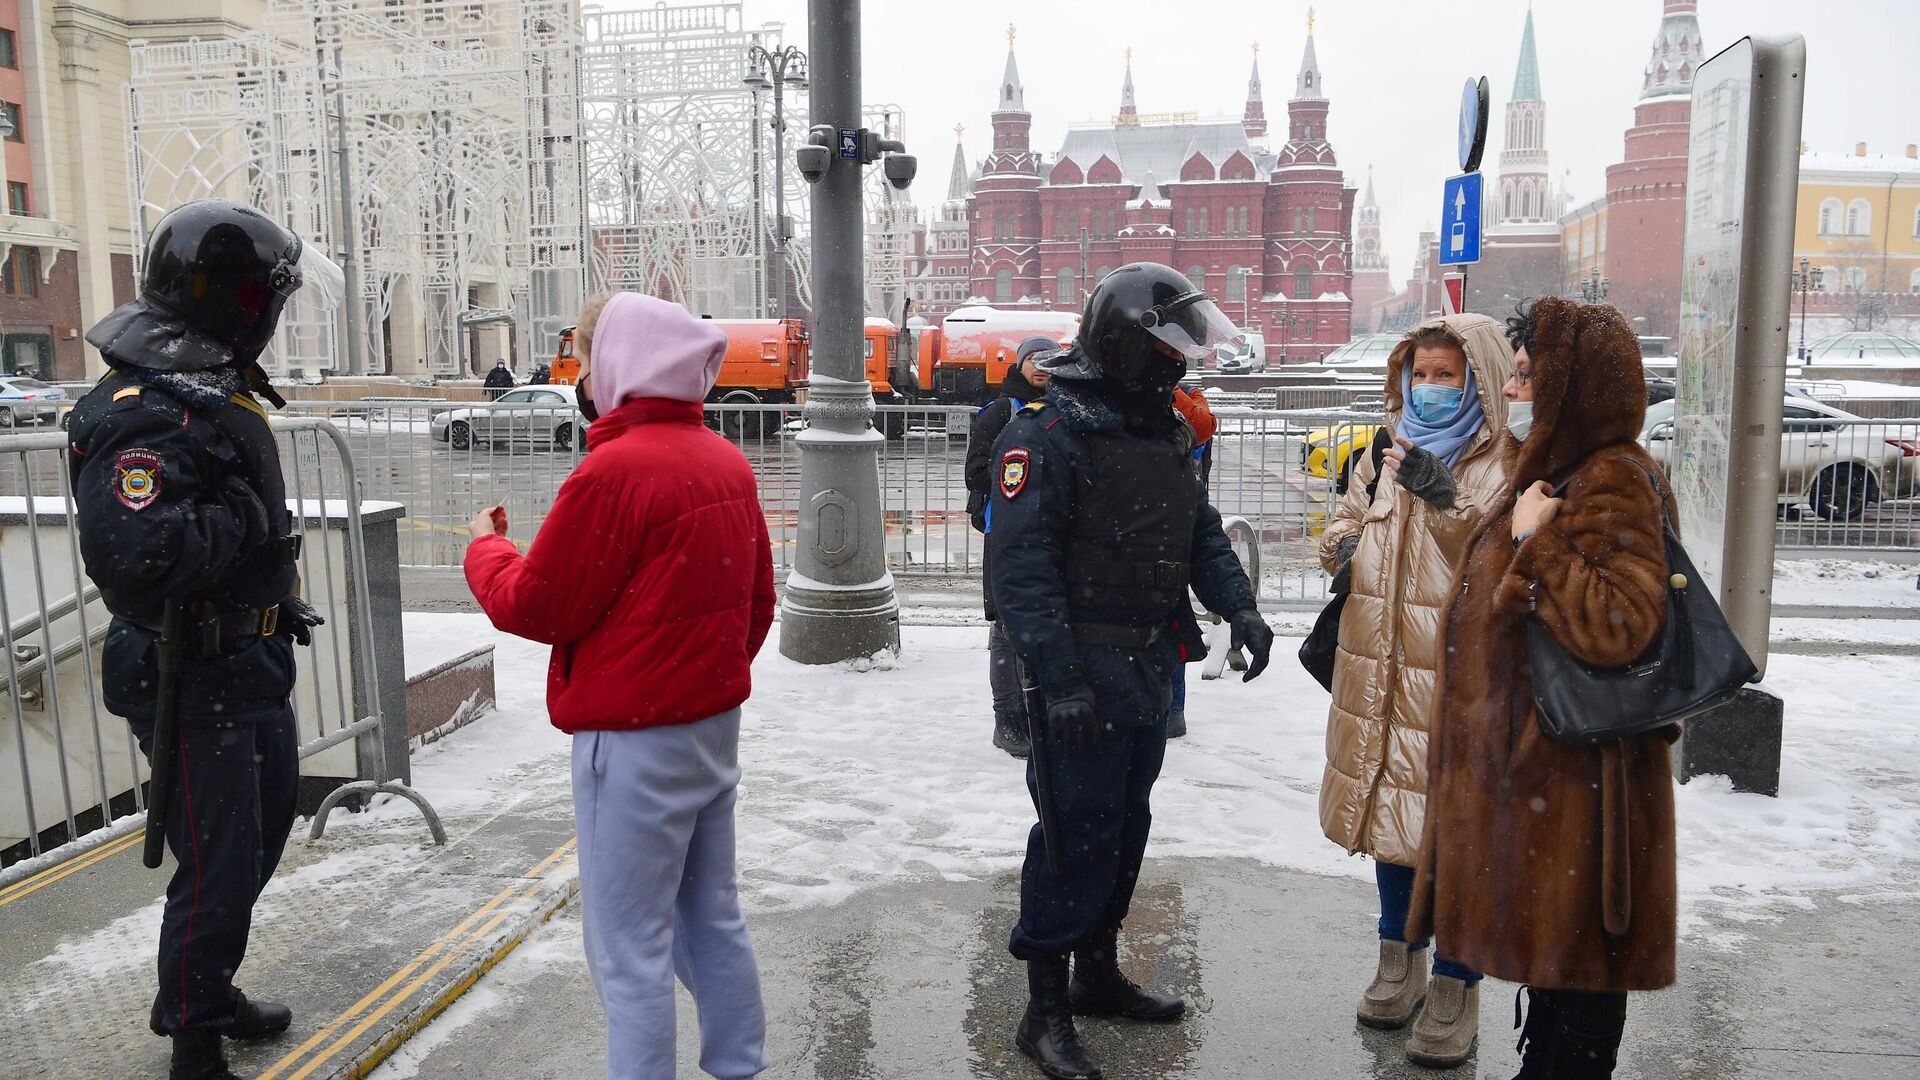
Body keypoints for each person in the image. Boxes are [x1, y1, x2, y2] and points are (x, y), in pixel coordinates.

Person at [464, 291, 774, 1080]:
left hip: (631, 743)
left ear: (621, 365)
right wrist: (703, 674)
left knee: (626, 946)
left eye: (592, 352)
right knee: (712, 916)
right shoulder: (724, 461)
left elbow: (538, 604)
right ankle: (739, 1064)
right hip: (710, 728)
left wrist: (486, 551)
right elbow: (757, 601)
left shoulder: (614, 472)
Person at [67, 198, 341, 1080]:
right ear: (233, 300)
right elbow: (136, 555)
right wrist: (242, 517)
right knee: (218, 860)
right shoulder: (145, 411)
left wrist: (268, 595)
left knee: (255, 841)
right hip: (192, 672)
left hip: (240, 662)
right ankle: (191, 1028)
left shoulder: (199, 388)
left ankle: (209, 988)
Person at [988, 263, 1274, 1080]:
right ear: (1128, 343)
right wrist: (1062, 679)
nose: (1181, 359)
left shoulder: (1167, 430)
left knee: (1124, 827)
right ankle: (1043, 1012)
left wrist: (1240, 607)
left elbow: (1201, 535)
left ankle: (1098, 974)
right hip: (1078, 668)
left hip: (1147, 662)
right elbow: (1024, 572)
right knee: (1071, 837)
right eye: (1170, 343)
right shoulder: (1048, 433)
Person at [1408, 297, 1677, 1079]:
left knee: (1582, 987)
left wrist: (1535, 543)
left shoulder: (1612, 480)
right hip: (1547, 779)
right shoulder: (1557, 471)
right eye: (1516, 375)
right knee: (1556, 982)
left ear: (1574, 385)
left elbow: (1620, 622)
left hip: (1585, 791)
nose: (1516, 390)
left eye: (1530, 377)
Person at [1315, 314, 1513, 1067]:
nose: (1428, 389)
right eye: (1418, 375)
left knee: (1458, 835)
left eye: (1446, 375)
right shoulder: (1384, 451)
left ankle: (1459, 985)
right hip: (1380, 664)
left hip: (1462, 678)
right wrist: (1340, 547)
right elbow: (1345, 519)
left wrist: (1444, 498)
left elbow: (1500, 557)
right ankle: (1398, 960)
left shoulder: (1506, 464)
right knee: (1392, 818)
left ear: (1480, 380)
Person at [966, 334, 1061, 759]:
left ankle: (1037, 710)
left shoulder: (1064, 408)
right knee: (1005, 627)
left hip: (1052, 534)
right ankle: (1007, 719)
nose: (1041, 365)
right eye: (1033, 359)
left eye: (1049, 359)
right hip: (1005, 535)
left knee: (1046, 619)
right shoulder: (998, 413)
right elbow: (976, 472)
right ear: (1019, 364)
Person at [1165, 381, 1218, 740]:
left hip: (1178, 519)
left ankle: (1174, 711)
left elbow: (1203, 425)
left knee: (1171, 618)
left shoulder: (1186, 395)